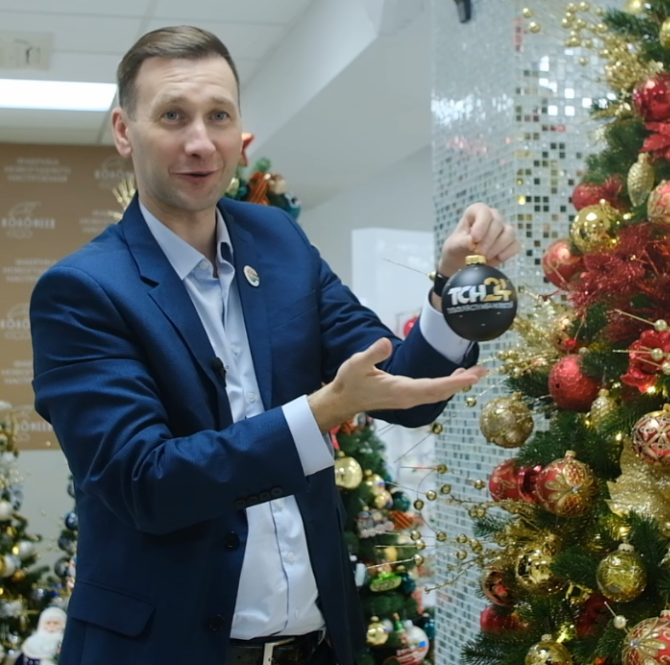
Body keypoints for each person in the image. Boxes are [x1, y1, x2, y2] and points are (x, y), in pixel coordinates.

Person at [28, 25, 519, 665]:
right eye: (173, 116)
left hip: (313, 648)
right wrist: (319, 414)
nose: (200, 141)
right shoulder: (83, 291)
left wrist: (450, 289)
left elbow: (402, 389)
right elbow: (144, 483)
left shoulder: (279, 242)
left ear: (240, 132)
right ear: (125, 131)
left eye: (219, 115)